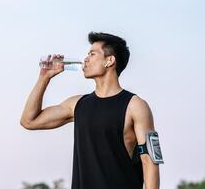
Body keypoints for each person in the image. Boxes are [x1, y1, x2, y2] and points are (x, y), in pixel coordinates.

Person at [20, 32, 160, 189]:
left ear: (110, 60)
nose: (86, 59)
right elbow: (28, 121)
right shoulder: (77, 105)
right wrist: (44, 78)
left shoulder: (136, 106)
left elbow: (150, 160)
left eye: (92, 54)